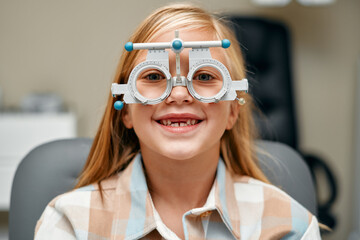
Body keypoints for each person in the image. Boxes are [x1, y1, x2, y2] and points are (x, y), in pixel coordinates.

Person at [34, 3, 321, 239]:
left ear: (233, 110)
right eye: (154, 76)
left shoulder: (289, 225)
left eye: (205, 76)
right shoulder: (69, 223)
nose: (179, 94)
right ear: (125, 110)